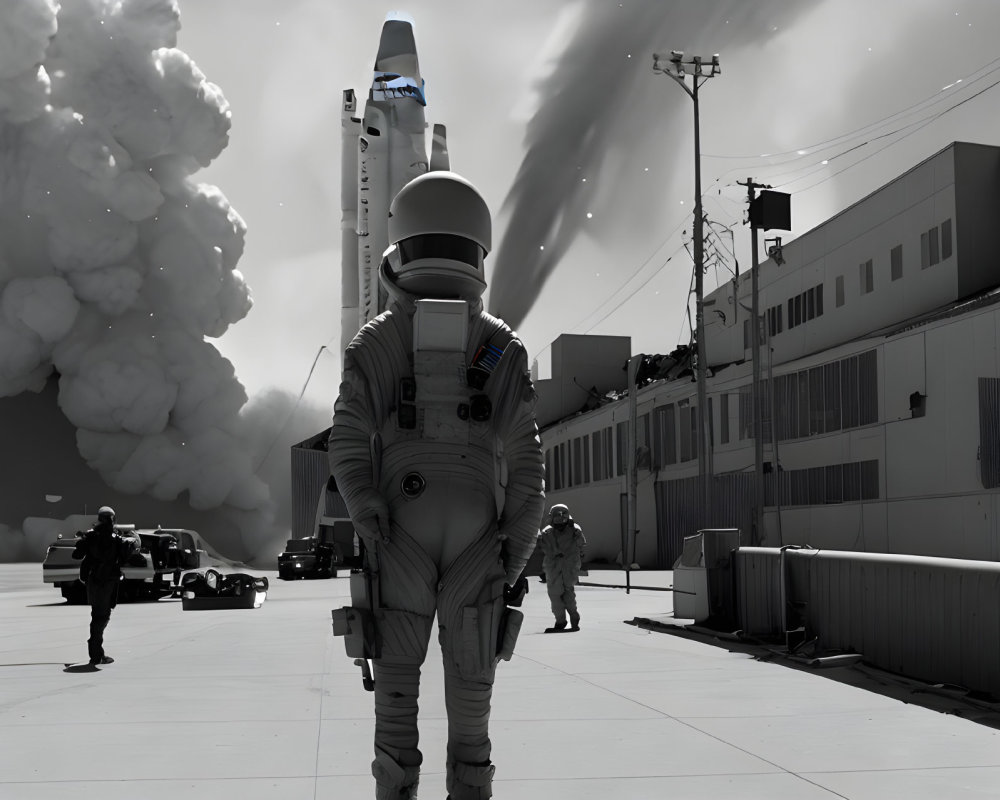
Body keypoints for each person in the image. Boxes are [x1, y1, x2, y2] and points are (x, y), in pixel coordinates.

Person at [329, 170, 545, 800]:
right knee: (471, 715)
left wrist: (368, 510)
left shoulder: (377, 340)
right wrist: (513, 554)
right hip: (479, 544)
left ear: (401, 243)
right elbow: (528, 466)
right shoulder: (500, 346)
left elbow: (346, 441)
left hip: (400, 536)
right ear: (478, 253)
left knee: (396, 707)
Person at [71, 506, 139, 665]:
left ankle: (96, 651)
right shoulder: (116, 538)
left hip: (94, 579)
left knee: (98, 614)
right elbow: (126, 557)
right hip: (108, 581)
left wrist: (83, 541)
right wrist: (133, 541)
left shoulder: (91, 536)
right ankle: (96, 653)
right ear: (113, 520)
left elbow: (77, 555)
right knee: (101, 616)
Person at [538, 503, 586, 633]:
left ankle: (574, 618)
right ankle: (561, 621)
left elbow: (582, 543)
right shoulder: (547, 532)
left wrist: (577, 532)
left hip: (569, 567)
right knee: (555, 595)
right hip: (553, 568)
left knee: (568, 594)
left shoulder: (574, 530)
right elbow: (542, 547)